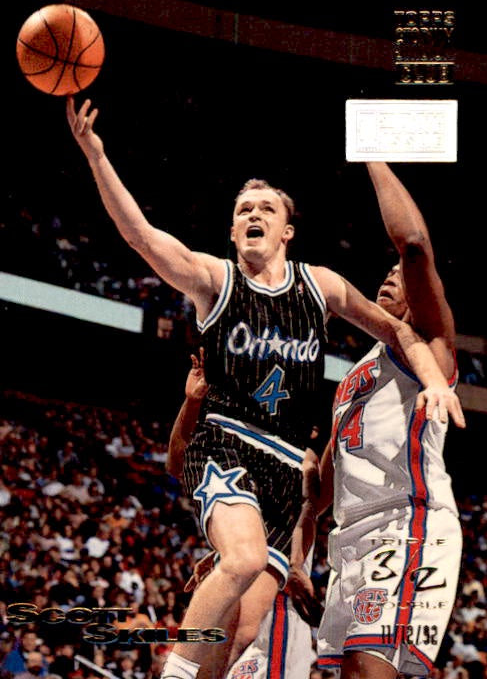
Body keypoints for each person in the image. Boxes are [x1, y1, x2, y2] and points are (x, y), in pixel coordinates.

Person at [66, 98, 464, 679]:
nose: (253, 213)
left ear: (287, 229)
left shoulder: (328, 291)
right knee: (243, 566)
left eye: (266, 207)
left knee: (245, 630)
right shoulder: (217, 280)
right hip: (233, 445)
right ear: (232, 229)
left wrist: (433, 381)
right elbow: (143, 237)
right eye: (243, 209)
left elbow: (404, 311)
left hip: (315, 485)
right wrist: (97, 156)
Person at [290, 162, 464, 679]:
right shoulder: (355, 374)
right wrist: (297, 557)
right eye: (386, 272)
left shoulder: (429, 346)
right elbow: (320, 491)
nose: (391, 275)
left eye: (400, 275)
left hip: (405, 522)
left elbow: (414, 244)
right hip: (351, 538)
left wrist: (373, 155)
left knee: (369, 669)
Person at [166, 351, 316, 679]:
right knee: (229, 636)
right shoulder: (227, 421)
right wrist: (191, 402)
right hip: (256, 549)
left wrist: (295, 562)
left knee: (239, 636)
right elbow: (177, 463)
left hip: (283, 573)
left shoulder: (303, 456)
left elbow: (309, 510)